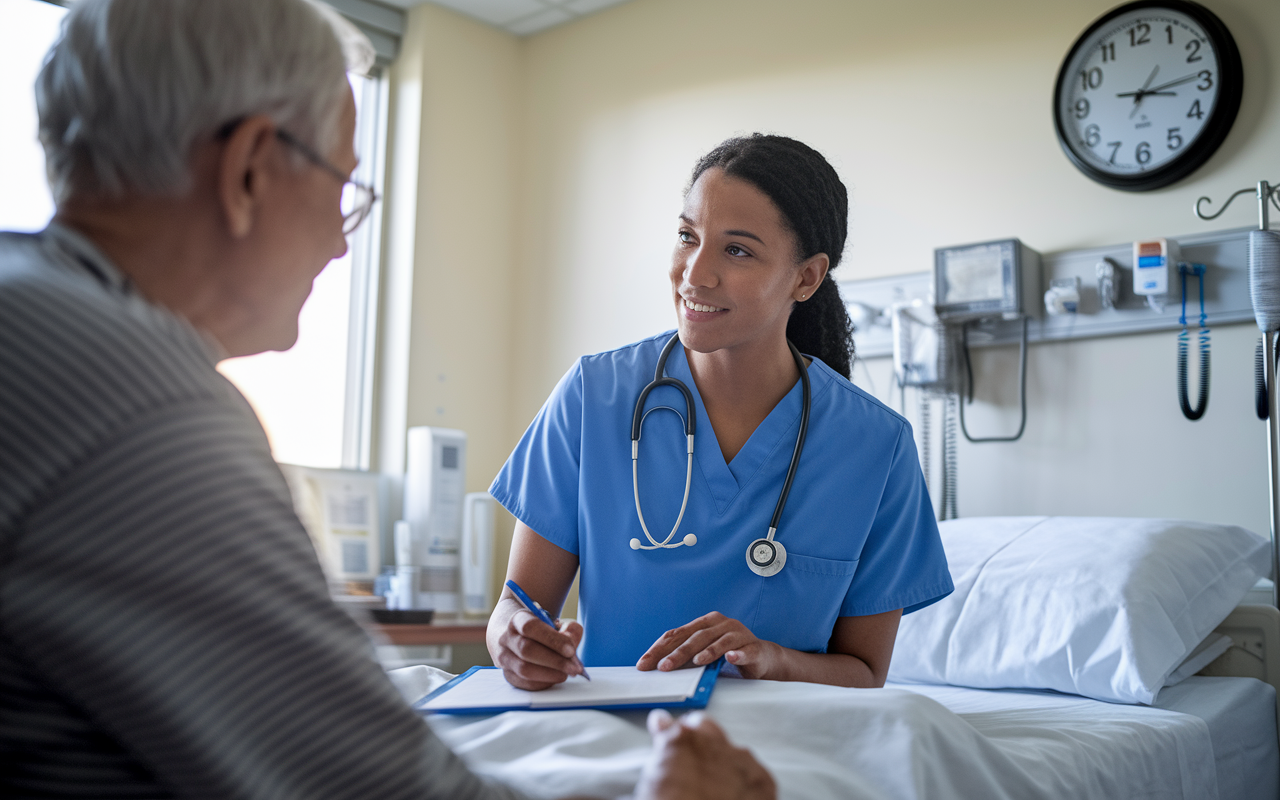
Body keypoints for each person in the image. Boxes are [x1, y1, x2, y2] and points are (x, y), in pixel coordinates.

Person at [0, 1, 773, 798]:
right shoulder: (140, 410)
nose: (340, 240)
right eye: (343, 184)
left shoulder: (35, 317)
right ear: (250, 168)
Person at [488, 135, 953, 692]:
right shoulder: (592, 397)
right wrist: (516, 641)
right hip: (606, 731)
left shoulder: (876, 447)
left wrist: (769, 658)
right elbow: (515, 611)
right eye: (688, 236)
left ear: (807, 277)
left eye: (737, 250)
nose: (694, 274)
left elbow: (866, 670)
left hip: (780, 746)